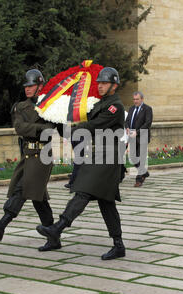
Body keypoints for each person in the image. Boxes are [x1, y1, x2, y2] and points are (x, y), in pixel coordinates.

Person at [36, 67, 126, 260]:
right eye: (99, 83)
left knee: (84, 191)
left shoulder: (115, 107)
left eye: (104, 83)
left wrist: (72, 127)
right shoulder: (100, 104)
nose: (100, 86)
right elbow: (85, 117)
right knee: (106, 202)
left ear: (114, 85)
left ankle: (58, 228)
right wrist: (62, 117)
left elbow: (93, 126)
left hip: (109, 158)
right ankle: (118, 245)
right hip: (100, 155)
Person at [0, 69, 61, 252]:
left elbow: (50, 129)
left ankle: (1, 225)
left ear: (40, 86)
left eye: (31, 86)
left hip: (42, 156)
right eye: (26, 86)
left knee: (23, 189)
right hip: (27, 156)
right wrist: (39, 128)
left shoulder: (51, 106)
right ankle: (53, 235)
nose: (27, 89)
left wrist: (33, 128)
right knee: (38, 198)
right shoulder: (21, 106)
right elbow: (19, 127)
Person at [125, 91, 153, 187]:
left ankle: (139, 180)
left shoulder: (147, 109)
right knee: (133, 158)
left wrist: (138, 132)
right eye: (134, 99)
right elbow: (127, 120)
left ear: (142, 99)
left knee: (140, 158)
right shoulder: (132, 108)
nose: (135, 101)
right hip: (132, 136)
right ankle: (144, 172)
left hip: (142, 136)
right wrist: (127, 127)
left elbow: (148, 123)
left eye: (137, 99)